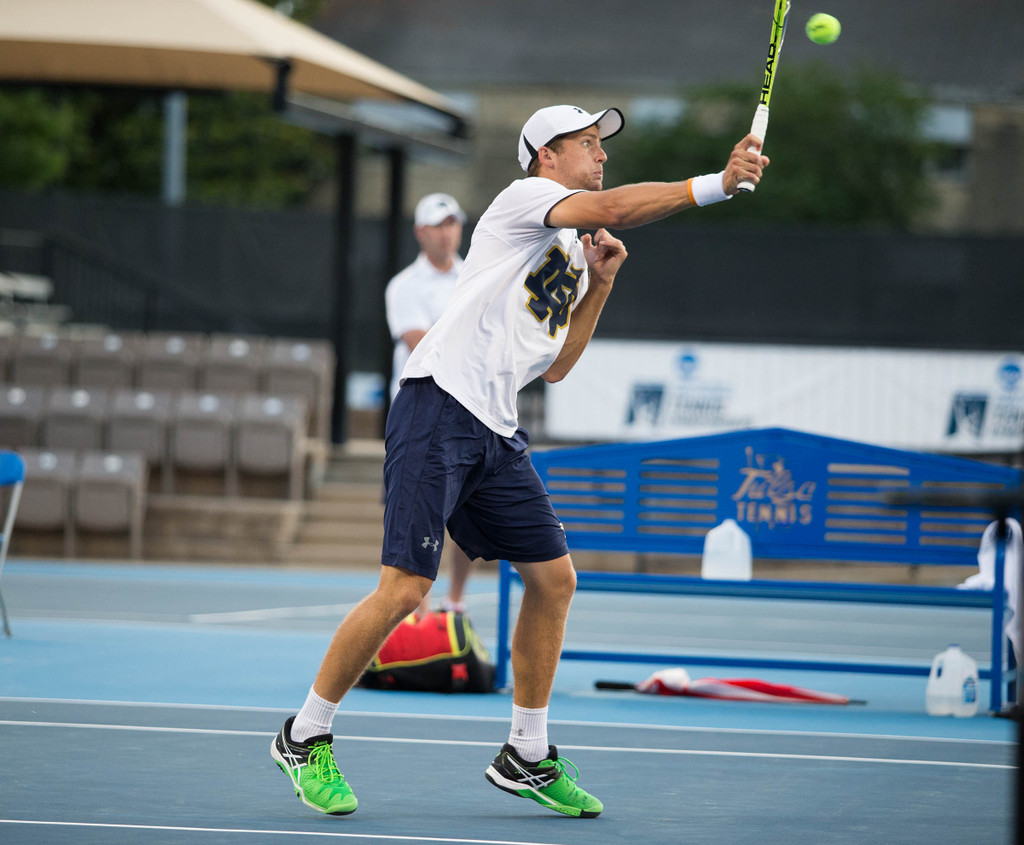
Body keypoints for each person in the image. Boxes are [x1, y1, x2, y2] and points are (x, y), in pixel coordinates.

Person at [271, 103, 768, 819]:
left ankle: (526, 754)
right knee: (406, 589)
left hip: (494, 428)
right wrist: (718, 182)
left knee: (555, 579)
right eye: (587, 143)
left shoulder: (569, 251)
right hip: (439, 402)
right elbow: (619, 207)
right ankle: (303, 733)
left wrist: (599, 284)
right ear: (545, 155)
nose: (601, 155)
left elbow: (558, 366)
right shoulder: (525, 201)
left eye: (603, 145)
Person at [384, 192, 475, 616]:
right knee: (415, 512)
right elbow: (420, 346)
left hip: (467, 406)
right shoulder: (404, 285)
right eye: (439, 224)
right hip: (418, 413)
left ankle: (454, 601)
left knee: (464, 512)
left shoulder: (475, 276)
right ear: (421, 232)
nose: (448, 232)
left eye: (453, 223)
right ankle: (413, 609)